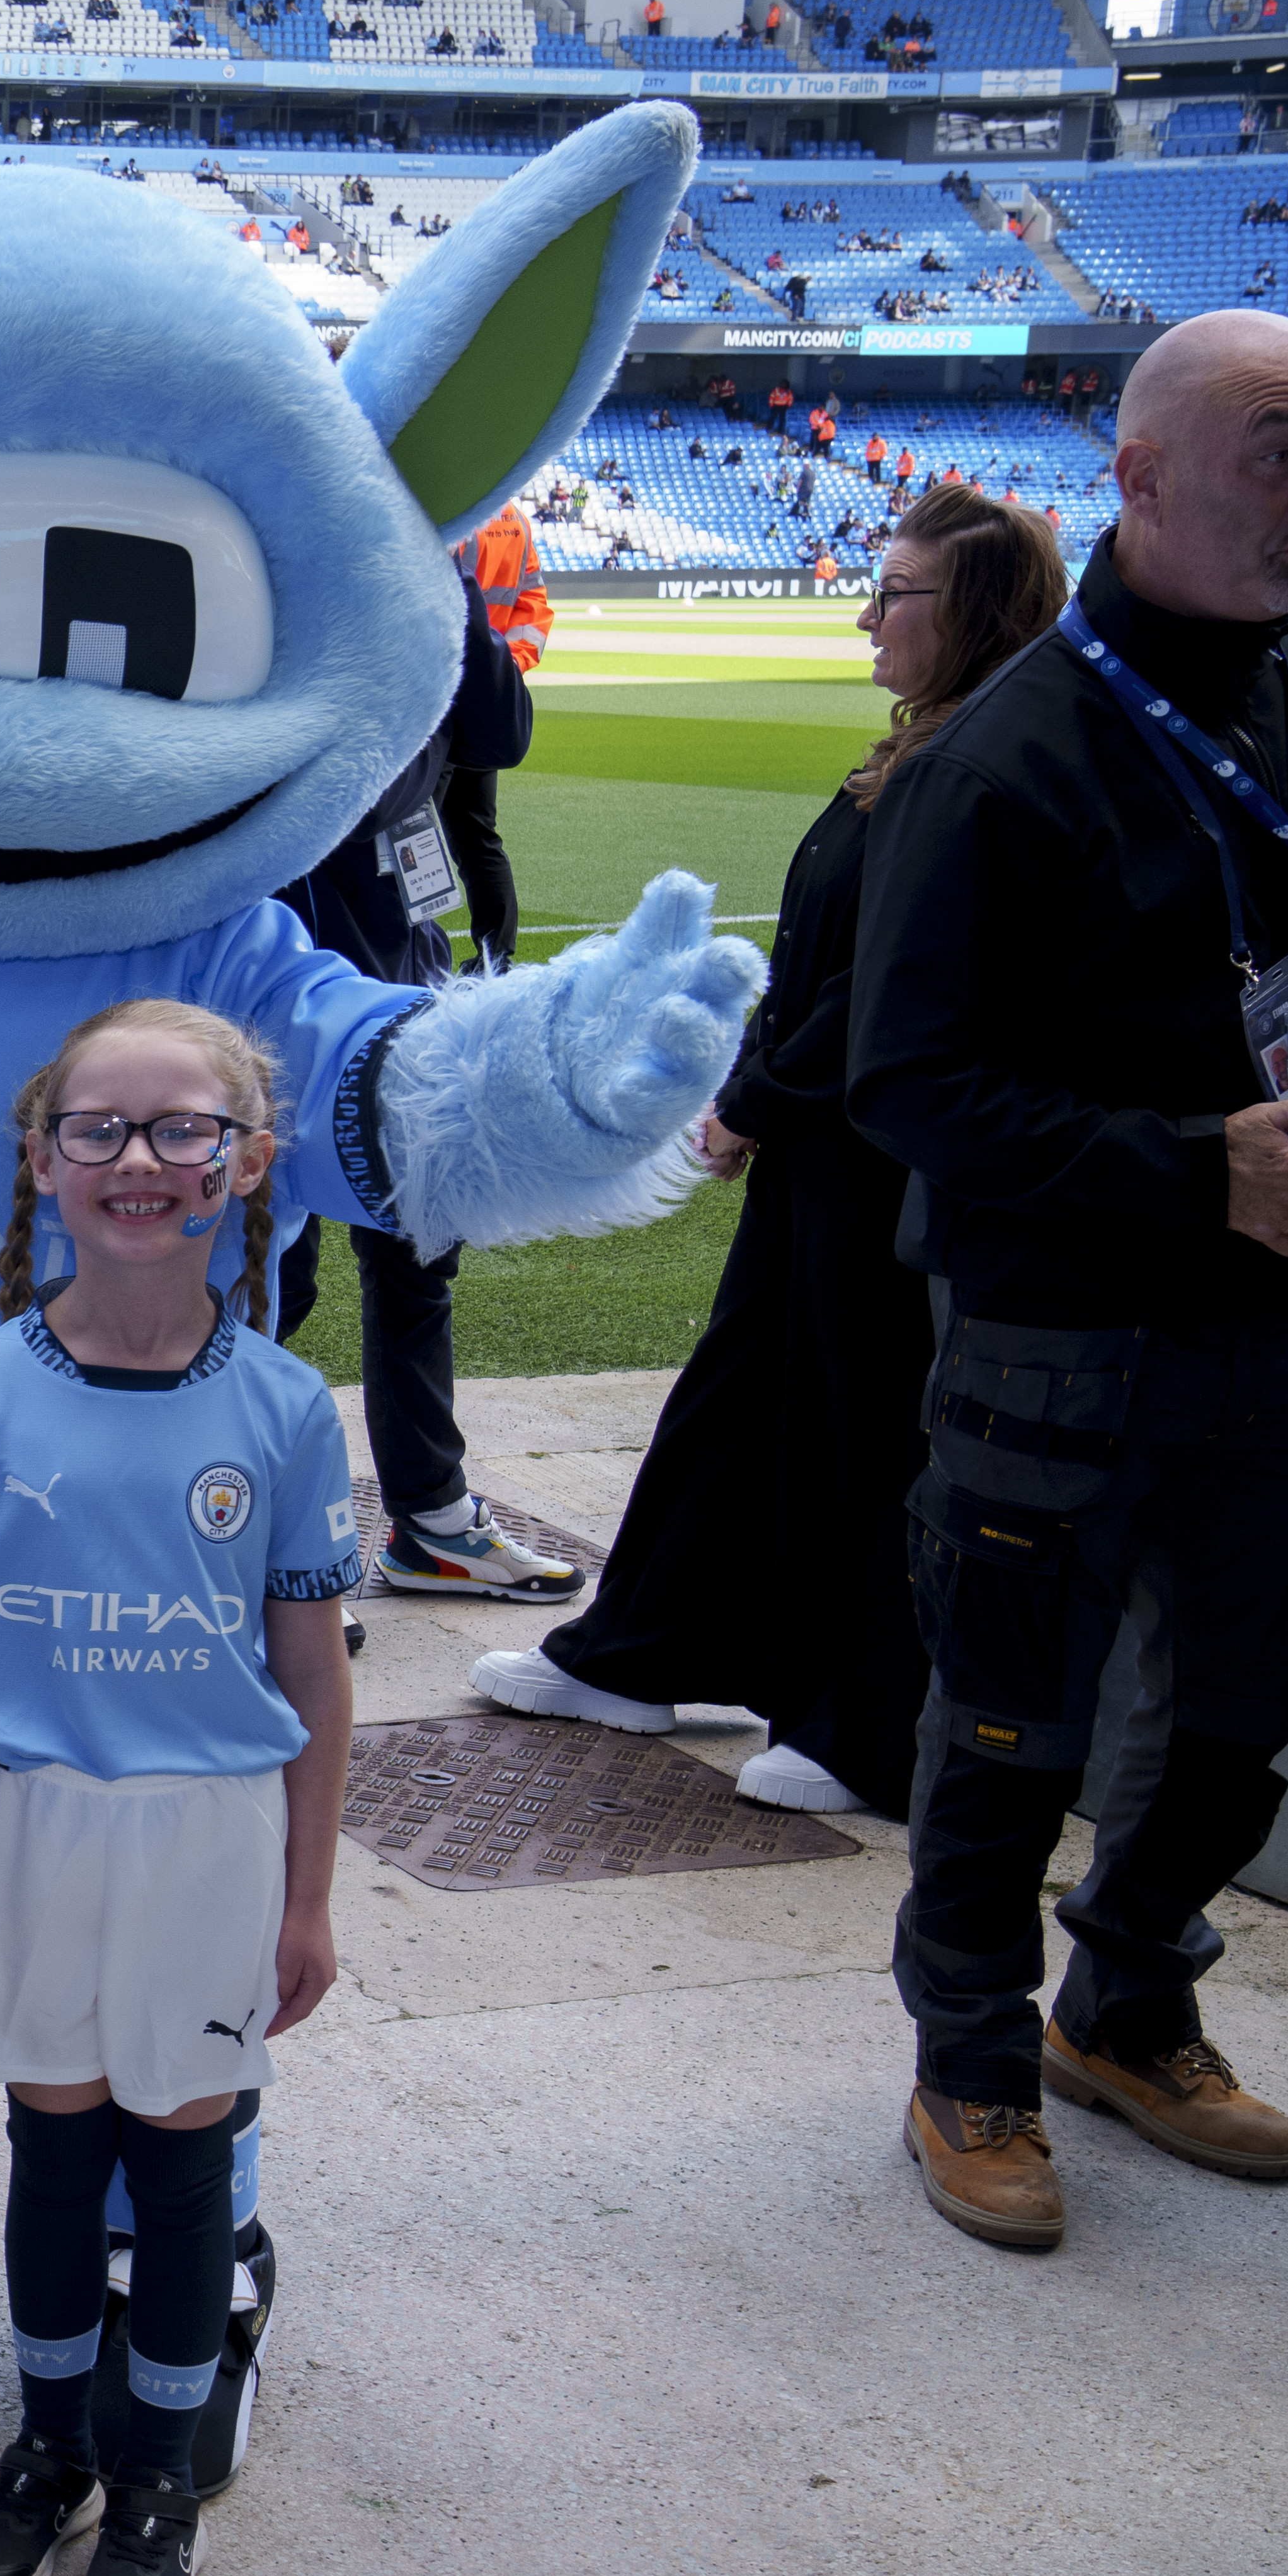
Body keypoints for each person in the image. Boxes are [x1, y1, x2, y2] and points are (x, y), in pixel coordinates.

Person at [845, 310, 1288, 2253]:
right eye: (1275, 452)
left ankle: (1122, 1997)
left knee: (1234, 1718)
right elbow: (904, 1081)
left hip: (1264, 1342)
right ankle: (964, 2047)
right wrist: (1188, 1167)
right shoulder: (1003, 758)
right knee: (1004, 1725)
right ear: (1135, 478)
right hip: (1051, 1339)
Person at [474, 482, 1065, 1817]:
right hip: (831, 1145)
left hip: (890, 1153)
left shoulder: (988, 759)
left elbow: (890, 992)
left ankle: (866, 1723)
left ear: (970, 610)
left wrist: (753, 1099)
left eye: (896, 593)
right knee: (747, 1396)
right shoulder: (931, 744)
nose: (866, 615)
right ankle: (646, 1651)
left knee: (867, 1427)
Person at [0, 1000, 360, 2576]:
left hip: (206, 1836)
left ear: (248, 1166)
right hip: (23, 1824)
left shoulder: (288, 1410)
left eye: (185, 1130)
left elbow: (309, 1664)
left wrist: (308, 1900)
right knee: (53, 2148)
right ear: (43, 1161)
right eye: (101, 1130)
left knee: (179, 2165)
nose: (141, 1161)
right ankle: (50, 2447)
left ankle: (157, 2474)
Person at [266, 587, 574, 1599]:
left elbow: (502, 729)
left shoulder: (421, 588)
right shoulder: (289, 580)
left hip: (403, 978)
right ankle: (242, 1537)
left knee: (418, 1254)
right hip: (278, 1001)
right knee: (271, 1276)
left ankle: (433, 1519)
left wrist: (449, 579)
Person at [440, 499, 549, 953]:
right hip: (485, 701)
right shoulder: (516, 520)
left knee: (406, 837)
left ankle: (404, 956)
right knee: (478, 838)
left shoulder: (449, 513)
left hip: (438, 700)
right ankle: (496, 958)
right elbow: (534, 608)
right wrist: (504, 670)